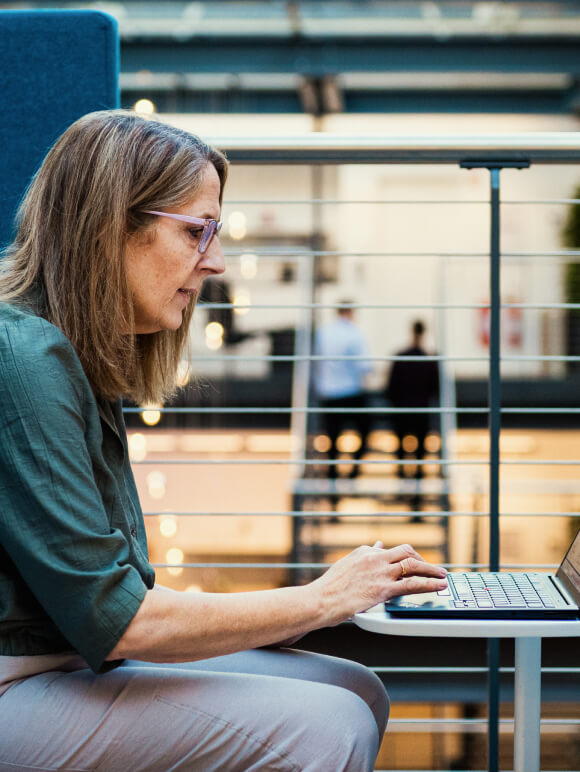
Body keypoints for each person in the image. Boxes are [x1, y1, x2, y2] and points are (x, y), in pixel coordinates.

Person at [0, 110, 448, 771]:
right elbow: (119, 619)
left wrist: (317, 602)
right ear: (110, 226)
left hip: (66, 658)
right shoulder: (23, 359)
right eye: (195, 232)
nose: (215, 262)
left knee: (358, 688)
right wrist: (322, 598)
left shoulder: (70, 351)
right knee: (332, 725)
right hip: (18, 679)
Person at [314, 304, 372, 479]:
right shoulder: (355, 333)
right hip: (350, 391)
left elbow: (316, 361)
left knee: (332, 438)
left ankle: (332, 474)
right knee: (364, 431)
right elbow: (365, 365)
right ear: (350, 312)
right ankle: (353, 471)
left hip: (328, 393)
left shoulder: (323, 333)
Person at [386, 320, 441, 481]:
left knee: (401, 443)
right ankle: (418, 472)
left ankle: (401, 472)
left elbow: (391, 386)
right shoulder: (428, 360)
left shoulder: (401, 357)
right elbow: (434, 387)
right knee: (421, 444)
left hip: (402, 408)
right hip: (421, 408)